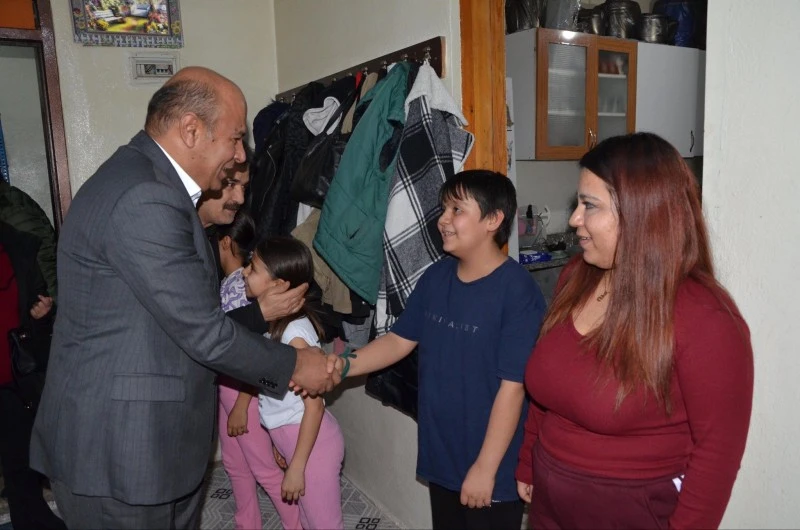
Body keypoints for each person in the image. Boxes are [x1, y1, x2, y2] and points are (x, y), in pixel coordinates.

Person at [29, 66, 340, 530]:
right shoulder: (146, 196)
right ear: (191, 130)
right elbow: (203, 331)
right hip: (121, 452)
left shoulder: (148, 183)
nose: (240, 155)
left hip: (149, 446)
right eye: (236, 138)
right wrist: (297, 365)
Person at [514, 132, 754, 530]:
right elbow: (548, 390)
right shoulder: (576, 277)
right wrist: (528, 461)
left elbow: (718, 454)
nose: (574, 219)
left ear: (642, 215)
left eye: (589, 205)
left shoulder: (706, 319)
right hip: (549, 507)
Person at [335, 170, 546, 530]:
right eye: (444, 209)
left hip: (491, 461)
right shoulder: (436, 277)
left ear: (493, 220)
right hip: (443, 450)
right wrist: (339, 366)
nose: (443, 220)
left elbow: (513, 388)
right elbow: (398, 341)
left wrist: (486, 468)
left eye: (457, 210)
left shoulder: (518, 291)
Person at [229, 236, 345, 530]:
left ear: (278, 285)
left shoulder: (294, 333)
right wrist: (280, 445)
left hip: (313, 446)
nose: (244, 272)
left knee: (324, 524)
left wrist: (297, 466)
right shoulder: (270, 327)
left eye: (253, 268)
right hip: (294, 440)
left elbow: (314, 407)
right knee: (307, 521)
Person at [215, 213, 303, 530]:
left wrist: (242, 403)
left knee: (263, 468)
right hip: (226, 387)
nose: (247, 272)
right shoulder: (232, 284)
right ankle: (247, 522)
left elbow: (255, 353)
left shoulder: (246, 291)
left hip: (243, 392)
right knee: (235, 464)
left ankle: (296, 524)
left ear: (226, 243)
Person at [0, 221, 64, 530]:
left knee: (21, 464)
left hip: (16, 375)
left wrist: (43, 313)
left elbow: (39, 304)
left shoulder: (18, 245)